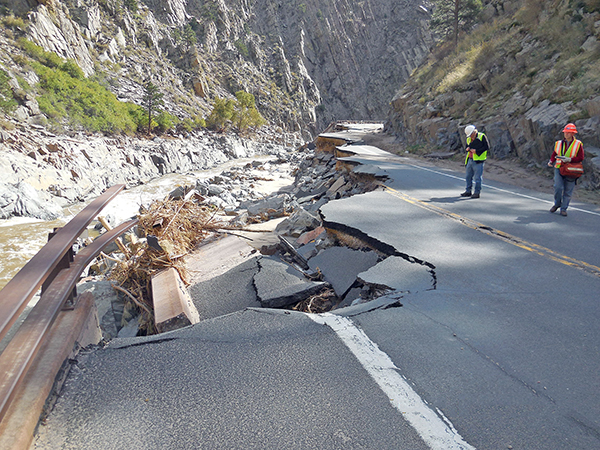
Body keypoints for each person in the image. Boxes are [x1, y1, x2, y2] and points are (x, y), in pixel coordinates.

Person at [547, 123, 585, 217]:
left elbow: (581, 157)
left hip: (572, 170)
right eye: (565, 132)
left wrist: (570, 159)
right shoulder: (559, 143)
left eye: (569, 132)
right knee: (558, 187)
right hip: (559, 167)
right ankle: (557, 204)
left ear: (573, 134)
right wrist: (551, 161)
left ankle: (564, 209)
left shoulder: (578, 144)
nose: (566, 134)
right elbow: (555, 153)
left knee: (568, 191)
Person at [460, 125, 489, 199]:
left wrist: (476, 151)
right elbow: (467, 146)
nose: (470, 136)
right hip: (470, 159)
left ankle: (477, 192)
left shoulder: (481, 136)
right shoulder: (468, 139)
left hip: (478, 161)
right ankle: (468, 191)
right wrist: (468, 148)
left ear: (474, 132)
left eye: (471, 134)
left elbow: (486, 147)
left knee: (477, 178)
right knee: (468, 176)